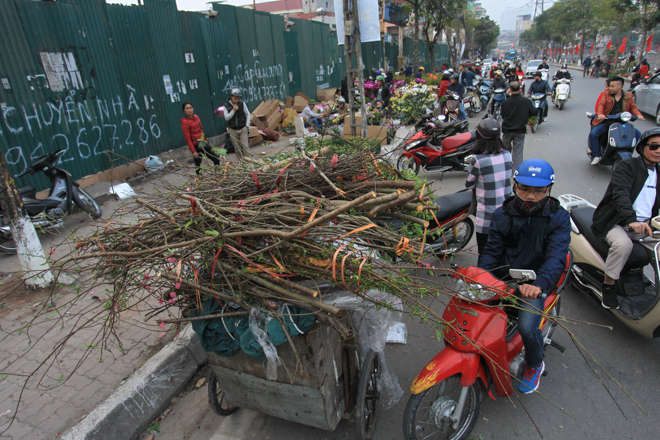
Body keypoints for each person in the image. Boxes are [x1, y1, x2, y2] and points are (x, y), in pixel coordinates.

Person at [479, 159, 571, 394]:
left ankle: (534, 364)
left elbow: (555, 257)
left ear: (548, 190)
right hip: (504, 279)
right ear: (515, 186)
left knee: (528, 328)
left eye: (538, 191)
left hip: (536, 282)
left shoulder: (558, 218)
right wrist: (481, 277)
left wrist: (539, 284)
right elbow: (491, 252)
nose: (531, 196)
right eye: (525, 189)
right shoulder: (502, 214)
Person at [591, 128, 660, 309]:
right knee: (623, 245)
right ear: (642, 147)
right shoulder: (627, 166)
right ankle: (608, 286)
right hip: (616, 221)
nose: (658, 151)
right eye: (654, 146)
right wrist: (631, 220)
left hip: (647, 226)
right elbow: (620, 194)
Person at [465, 118, 513, 256]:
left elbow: (468, 184)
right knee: (500, 251)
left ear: (479, 137)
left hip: (486, 218)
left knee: (485, 254)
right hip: (505, 214)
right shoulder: (508, 155)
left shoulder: (478, 160)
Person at [589, 76, 644, 165]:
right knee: (594, 134)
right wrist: (601, 114)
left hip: (621, 122)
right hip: (607, 122)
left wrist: (638, 115)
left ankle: (629, 151)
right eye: (609, 86)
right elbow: (601, 105)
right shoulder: (605, 94)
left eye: (612, 86)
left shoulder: (628, 96)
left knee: (637, 134)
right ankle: (596, 155)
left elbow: (633, 107)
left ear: (620, 86)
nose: (610, 88)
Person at [501, 81, 537, 172]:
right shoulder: (526, 102)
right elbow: (534, 112)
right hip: (520, 130)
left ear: (510, 90)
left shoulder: (505, 102)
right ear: (520, 89)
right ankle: (516, 173)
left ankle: (505, 171)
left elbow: (503, 115)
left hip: (507, 130)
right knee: (518, 153)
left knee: (505, 152)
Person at [181, 102, 221, 174]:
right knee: (198, 166)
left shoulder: (196, 117)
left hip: (203, 143)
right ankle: (200, 181)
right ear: (184, 111)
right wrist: (193, 152)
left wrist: (205, 140)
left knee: (216, 159)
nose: (190, 110)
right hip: (196, 146)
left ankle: (218, 174)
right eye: (187, 108)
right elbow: (187, 139)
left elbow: (201, 130)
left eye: (191, 107)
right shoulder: (185, 123)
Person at [224, 89, 251, 162]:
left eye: (238, 98)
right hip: (233, 129)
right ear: (231, 97)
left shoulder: (242, 103)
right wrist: (233, 110)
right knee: (237, 148)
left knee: (245, 147)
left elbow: (247, 114)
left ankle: (249, 163)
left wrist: (247, 125)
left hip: (242, 128)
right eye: (235, 98)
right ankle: (241, 163)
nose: (236, 100)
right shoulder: (226, 105)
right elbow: (226, 118)